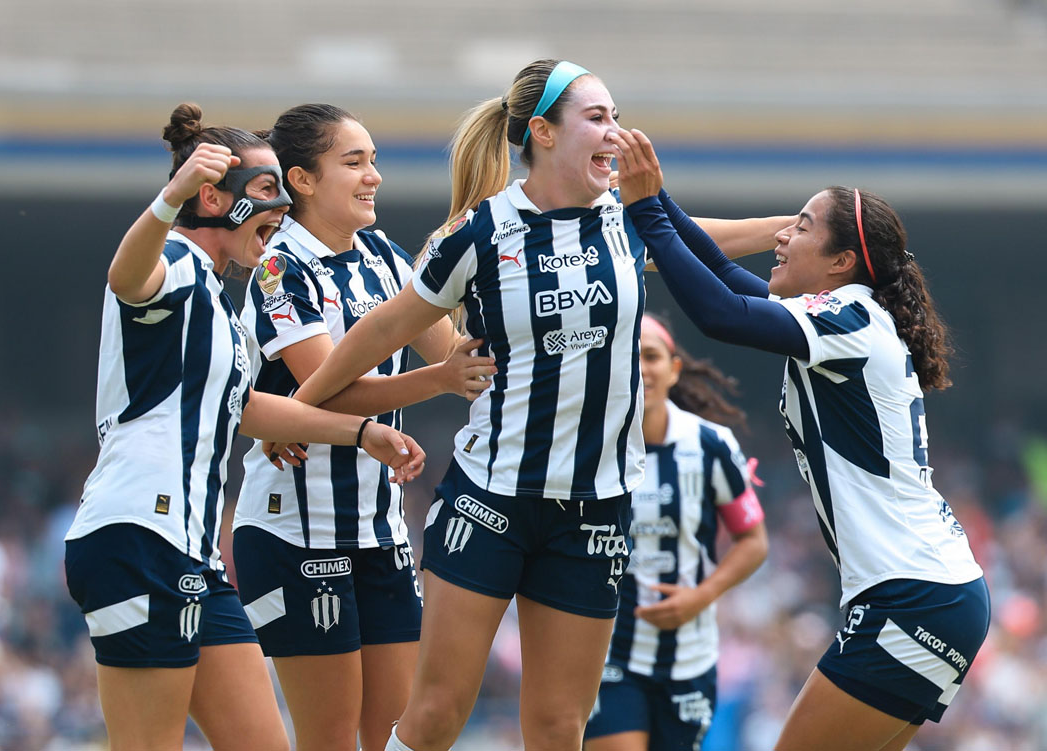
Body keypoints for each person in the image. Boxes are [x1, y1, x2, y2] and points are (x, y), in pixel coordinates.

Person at [273, 60, 789, 751]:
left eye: (616, 115)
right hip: (492, 500)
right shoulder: (481, 232)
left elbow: (703, 241)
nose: (617, 131)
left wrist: (796, 224)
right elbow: (384, 329)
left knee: (557, 728)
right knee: (431, 719)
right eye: (598, 118)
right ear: (542, 132)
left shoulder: (630, 220)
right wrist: (297, 411)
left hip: (596, 509)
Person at [612, 128, 990, 751]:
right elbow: (726, 276)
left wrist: (647, 211)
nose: (783, 237)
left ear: (842, 262)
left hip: (912, 597)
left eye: (803, 227)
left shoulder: (850, 318)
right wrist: (657, 198)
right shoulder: (847, 316)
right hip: (933, 595)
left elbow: (720, 314)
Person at [63, 104, 425, 751]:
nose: (282, 207)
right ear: (212, 197)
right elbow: (126, 277)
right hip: (136, 537)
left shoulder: (214, 295)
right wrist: (169, 200)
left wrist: (361, 432)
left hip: (192, 549)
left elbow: (247, 408)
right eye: (266, 191)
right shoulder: (171, 258)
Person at [231, 103, 496, 751]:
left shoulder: (381, 252)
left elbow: (451, 350)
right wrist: (438, 379)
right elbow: (334, 392)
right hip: (293, 532)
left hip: (379, 533)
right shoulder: (279, 265)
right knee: (330, 739)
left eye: (373, 160)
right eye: (354, 162)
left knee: (399, 733)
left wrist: (476, 270)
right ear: (303, 180)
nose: (374, 175)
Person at [584, 314, 768, 751]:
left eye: (651, 356)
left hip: (689, 656)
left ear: (674, 369)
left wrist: (700, 597)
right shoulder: (586, 445)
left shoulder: (711, 444)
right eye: (631, 356)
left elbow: (754, 541)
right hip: (606, 653)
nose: (642, 367)